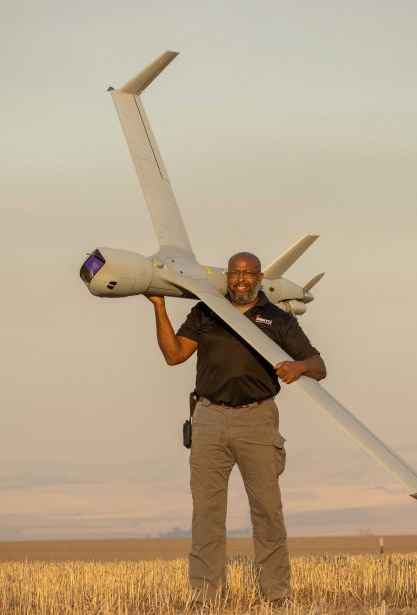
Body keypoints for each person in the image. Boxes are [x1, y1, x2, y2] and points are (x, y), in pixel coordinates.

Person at [146, 251, 326, 605]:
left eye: (248, 274)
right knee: (207, 517)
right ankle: (204, 601)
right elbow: (174, 354)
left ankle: (277, 599)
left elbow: (319, 364)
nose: (241, 279)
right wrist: (158, 307)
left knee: (267, 513)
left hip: (256, 420)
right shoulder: (206, 311)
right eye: (235, 273)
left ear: (260, 279)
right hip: (209, 418)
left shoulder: (277, 320)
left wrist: (299, 366)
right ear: (227, 276)